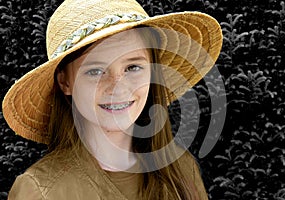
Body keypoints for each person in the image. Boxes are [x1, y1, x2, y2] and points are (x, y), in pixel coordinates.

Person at [2, 0, 222, 199]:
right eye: (96, 71)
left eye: (133, 67)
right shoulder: (40, 191)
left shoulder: (182, 173)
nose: (117, 87)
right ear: (65, 82)